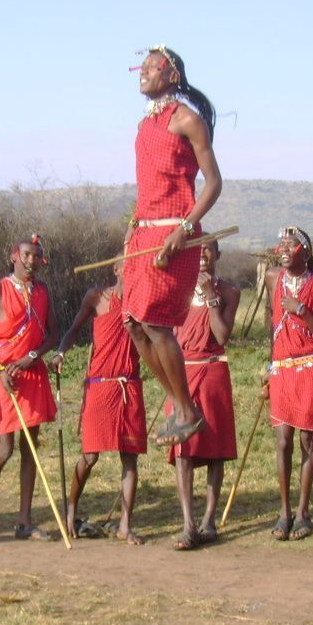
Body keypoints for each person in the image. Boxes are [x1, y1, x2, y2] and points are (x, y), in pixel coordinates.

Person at [123, 45, 222, 447]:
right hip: (143, 233)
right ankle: (181, 404)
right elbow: (146, 189)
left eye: (152, 67)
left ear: (173, 75)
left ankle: (186, 409)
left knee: (154, 322)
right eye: (141, 67)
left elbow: (213, 184)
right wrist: (130, 231)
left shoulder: (187, 120)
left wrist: (184, 229)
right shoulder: (145, 125)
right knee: (134, 325)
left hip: (174, 233)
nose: (143, 72)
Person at [0, 236, 58, 544]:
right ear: (14, 256)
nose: (32, 261)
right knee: (3, 449)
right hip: (5, 376)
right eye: (27, 255)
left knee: (30, 448)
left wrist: (35, 355)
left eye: (37, 256)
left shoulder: (43, 291)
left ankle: (24, 521)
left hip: (32, 373)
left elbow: (53, 332)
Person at [49, 263, 146, 545]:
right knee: (90, 456)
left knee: (130, 457)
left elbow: (153, 342)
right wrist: (60, 354)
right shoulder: (97, 297)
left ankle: (125, 526)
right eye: (127, 266)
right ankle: (71, 511)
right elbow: (74, 329)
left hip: (129, 385)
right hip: (100, 386)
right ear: (116, 269)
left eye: (135, 267)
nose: (132, 271)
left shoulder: (142, 303)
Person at [166, 241, 240, 550]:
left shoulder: (230, 292)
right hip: (182, 374)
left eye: (209, 250)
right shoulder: (176, 291)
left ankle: (209, 521)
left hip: (213, 371)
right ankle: (188, 524)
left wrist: (210, 296)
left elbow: (222, 335)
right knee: (184, 448)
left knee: (215, 449)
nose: (203, 256)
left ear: (218, 255)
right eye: (197, 251)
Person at [262, 226, 313, 541]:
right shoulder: (273, 278)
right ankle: (284, 511)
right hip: (282, 369)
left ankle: (303, 512)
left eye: (291, 243)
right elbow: (270, 322)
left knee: (307, 441)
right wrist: (268, 362)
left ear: (306, 251)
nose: (284, 247)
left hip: (311, 367)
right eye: (281, 242)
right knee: (283, 441)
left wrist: (300, 309)